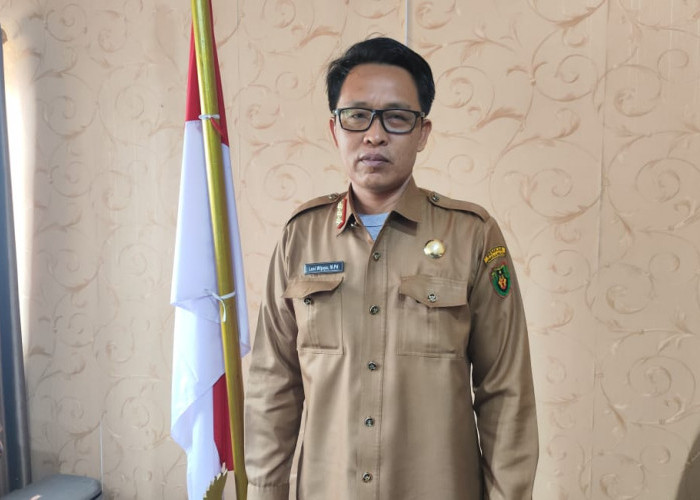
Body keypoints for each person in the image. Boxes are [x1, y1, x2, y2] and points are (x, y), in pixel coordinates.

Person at [244, 36, 538, 500]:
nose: (374, 135)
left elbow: (506, 393)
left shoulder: (473, 235)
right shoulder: (301, 236)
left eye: (397, 118)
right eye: (357, 115)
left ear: (423, 133)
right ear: (335, 129)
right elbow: (272, 386)